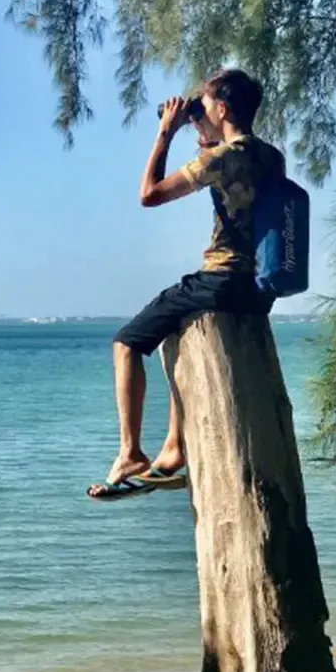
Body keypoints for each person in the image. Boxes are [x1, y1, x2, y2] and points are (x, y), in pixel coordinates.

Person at [87, 68, 286, 500]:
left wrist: (165, 133)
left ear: (222, 108)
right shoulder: (271, 157)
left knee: (126, 344)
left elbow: (150, 193)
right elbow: (240, 175)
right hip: (258, 289)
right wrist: (202, 129)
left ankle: (129, 453)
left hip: (221, 278)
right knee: (174, 336)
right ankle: (174, 449)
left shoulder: (220, 159)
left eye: (204, 103)